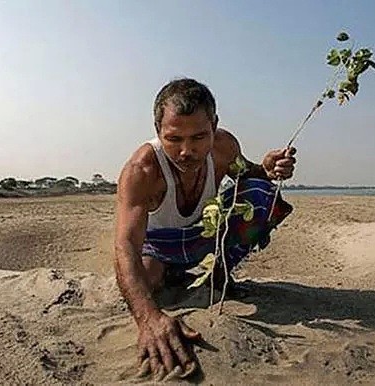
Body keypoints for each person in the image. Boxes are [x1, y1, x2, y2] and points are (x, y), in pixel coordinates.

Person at [113, 78, 296, 379]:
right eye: (174, 139)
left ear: (214, 126)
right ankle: (169, 271)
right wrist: (148, 320)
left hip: (204, 236)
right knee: (146, 283)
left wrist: (266, 169)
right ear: (158, 130)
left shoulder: (225, 146)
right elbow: (125, 245)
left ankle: (219, 274)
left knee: (262, 193)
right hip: (157, 244)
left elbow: (247, 173)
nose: (187, 151)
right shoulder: (142, 170)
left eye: (199, 137)